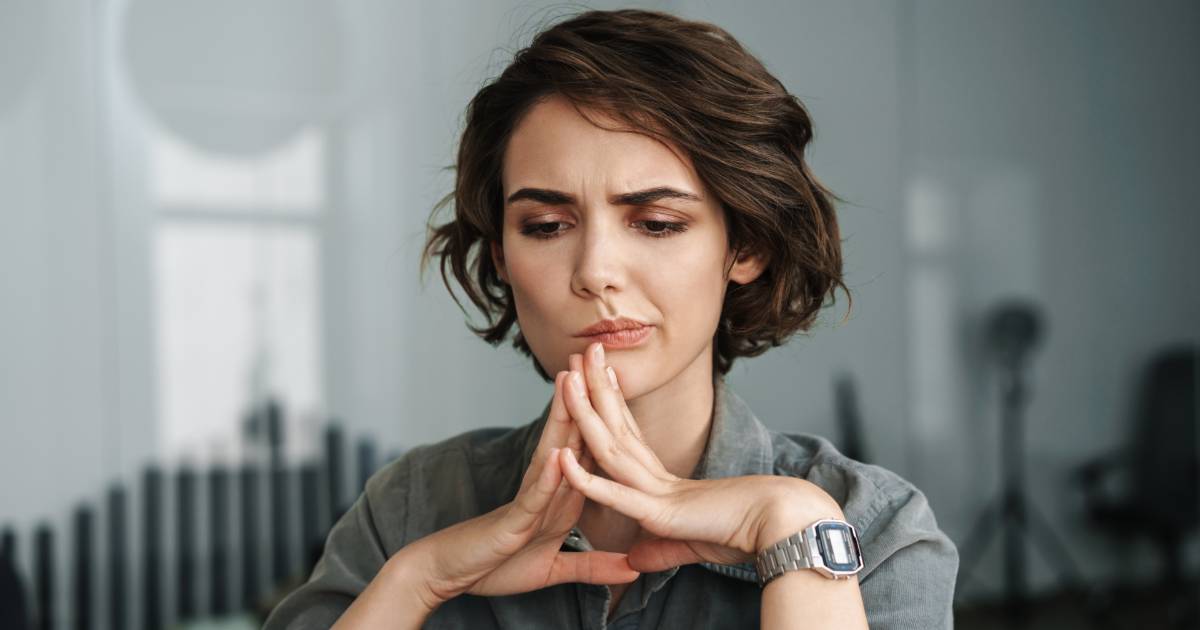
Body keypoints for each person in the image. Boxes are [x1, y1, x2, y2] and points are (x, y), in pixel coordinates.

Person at [264, 8, 957, 629]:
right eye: (545, 225)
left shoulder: (875, 530)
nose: (595, 269)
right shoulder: (411, 510)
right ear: (501, 255)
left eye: (655, 223)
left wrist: (794, 527)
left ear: (746, 245)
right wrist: (420, 579)